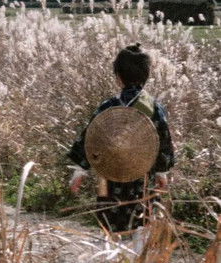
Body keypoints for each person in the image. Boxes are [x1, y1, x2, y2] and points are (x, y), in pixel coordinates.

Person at [67, 43, 175, 233]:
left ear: (118, 76)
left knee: (111, 226)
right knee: (141, 224)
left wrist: (80, 171)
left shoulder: (108, 106)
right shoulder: (154, 108)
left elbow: (90, 139)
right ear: (146, 75)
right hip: (143, 178)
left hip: (110, 178)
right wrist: (162, 173)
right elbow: (163, 141)